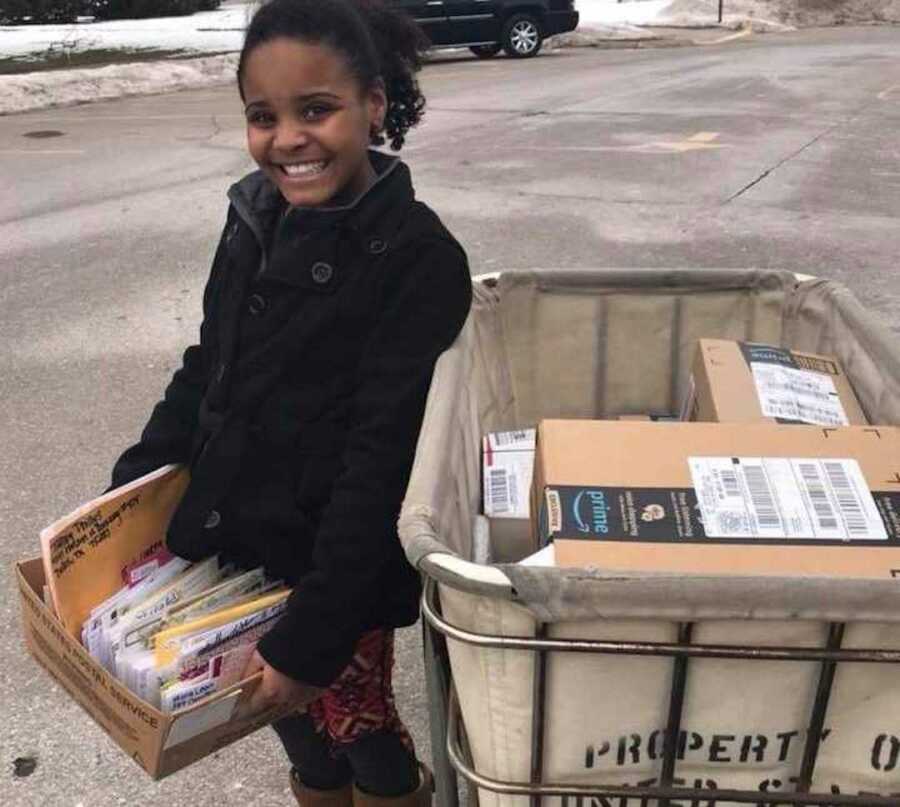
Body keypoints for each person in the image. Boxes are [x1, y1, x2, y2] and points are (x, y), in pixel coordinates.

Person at [108, 0, 472, 803]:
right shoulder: (252, 214)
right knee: (285, 725)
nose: (288, 140)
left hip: (336, 570)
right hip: (243, 545)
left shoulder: (418, 260)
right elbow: (211, 365)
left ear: (373, 104)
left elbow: (382, 461)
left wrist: (316, 632)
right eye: (262, 116)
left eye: (317, 110)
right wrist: (134, 484)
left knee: (358, 724)